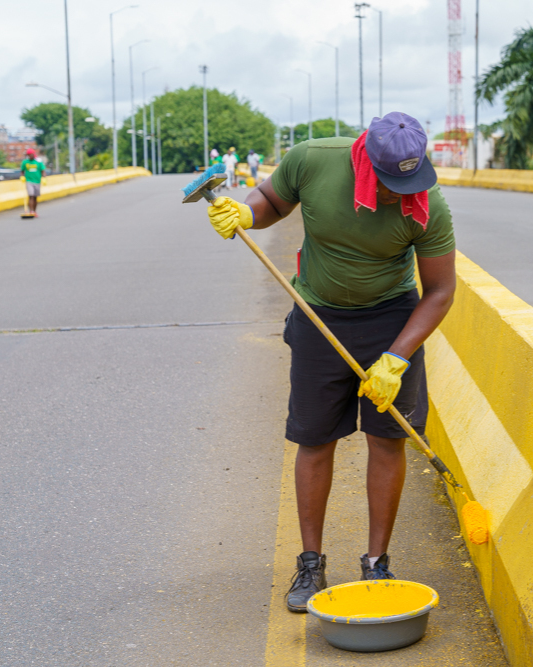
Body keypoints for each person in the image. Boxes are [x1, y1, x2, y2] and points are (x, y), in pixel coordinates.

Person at [203, 112, 456, 612]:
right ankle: (311, 563)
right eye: (390, 184)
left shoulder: (428, 206)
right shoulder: (314, 161)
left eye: (411, 181)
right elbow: (272, 201)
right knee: (314, 439)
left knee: (387, 441)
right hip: (319, 315)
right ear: (363, 159)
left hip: (392, 320)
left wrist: (396, 358)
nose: (402, 194)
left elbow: (441, 291)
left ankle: (377, 562)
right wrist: (246, 214)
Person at [20, 148, 46, 216]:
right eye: (28, 155)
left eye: (30, 154)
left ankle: (34, 211)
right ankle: (31, 211)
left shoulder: (38, 162)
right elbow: (22, 171)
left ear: (33, 154)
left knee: (35, 197)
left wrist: (44, 178)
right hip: (29, 181)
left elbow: (43, 171)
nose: (29, 156)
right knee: (31, 196)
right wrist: (22, 176)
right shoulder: (25, 162)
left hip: (37, 181)